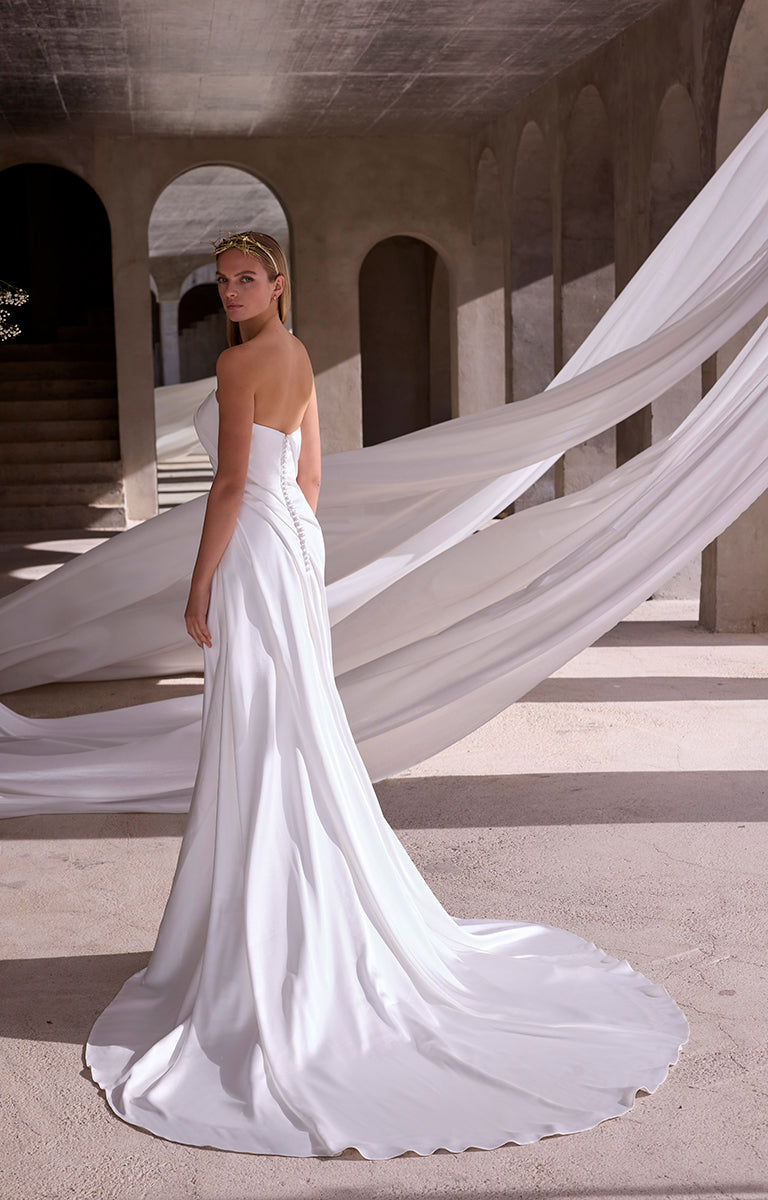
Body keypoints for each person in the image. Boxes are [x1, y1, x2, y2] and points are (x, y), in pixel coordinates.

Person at [85, 231, 688, 1160]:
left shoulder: (245, 361)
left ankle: (271, 924)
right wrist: (294, 553)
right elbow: (309, 477)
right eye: (224, 280)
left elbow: (233, 482)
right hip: (289, 548)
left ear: (278, 282)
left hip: (253, 549)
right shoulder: (298, 357)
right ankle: (286, 907)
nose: (234, 290)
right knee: (288, 726)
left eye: (248, 278)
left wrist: (201, 583)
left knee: (263, 727)